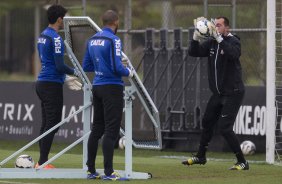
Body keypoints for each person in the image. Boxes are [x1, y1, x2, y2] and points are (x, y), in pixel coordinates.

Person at [182, 16, 249, 170]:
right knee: (207, 123)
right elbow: (194, 52)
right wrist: (195, 38)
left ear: (227, 28)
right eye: (215, 25)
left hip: (233, 92)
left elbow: (233, 54)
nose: (216, 27)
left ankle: (242, 162)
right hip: (218, 94)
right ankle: (200, 156)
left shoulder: (233, 41)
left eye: (219, 25)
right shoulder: (212, 43)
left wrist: (219, 38)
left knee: (225, 128)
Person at [82, 10, 133, 180]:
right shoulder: (114, 39)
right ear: (116, 22)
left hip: (97, 86)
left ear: (102, 21)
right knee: (111, 131)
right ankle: (109, 173)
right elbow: (117, 68)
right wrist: (129, 72)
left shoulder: (92, 40)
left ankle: (90, 170)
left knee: (97, 129)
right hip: (112, 87)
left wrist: (101, 67)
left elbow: (86, 66)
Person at [35, 4, 81, 169]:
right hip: (51, 84)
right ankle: (42, 162)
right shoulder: (55, 38)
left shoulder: (42, 35)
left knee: (47, 123)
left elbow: (47, 62)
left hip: (42, 82)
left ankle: (42, 161)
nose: (65, 21)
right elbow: (60, 66)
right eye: (65, 18)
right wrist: (77, 72)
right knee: (53, 123)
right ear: (60, 19)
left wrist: (65, 75)